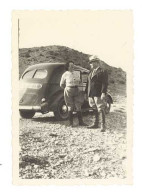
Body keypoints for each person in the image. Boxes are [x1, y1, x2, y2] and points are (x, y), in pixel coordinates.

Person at [60, 61, 87, 127]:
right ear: (67, 67)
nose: (72, 67)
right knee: (70, 106)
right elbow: (61, 84)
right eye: (71, 66)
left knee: (78, 106)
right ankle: (70, 123)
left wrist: (79, 85)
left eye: (73, 65)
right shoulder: (65, 74)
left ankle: (81, 122)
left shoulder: (76, 73)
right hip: (69, 90)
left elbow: (80, 82)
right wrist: (67, 88)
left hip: (76, 89)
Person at [85, 56, 108, 132]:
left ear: (97, 62)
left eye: (92, 62)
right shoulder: (90, 72)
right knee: (94, 108)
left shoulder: (103, 71)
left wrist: (103, 93)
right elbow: (88, 83)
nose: (90, 64)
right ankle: (95, 123)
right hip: (91, 93)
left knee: (100, 108)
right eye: (90, 62)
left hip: (98, 93)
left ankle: (103, 125)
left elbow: (105, 83)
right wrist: (86, 93)